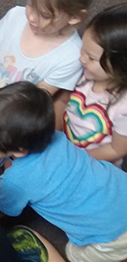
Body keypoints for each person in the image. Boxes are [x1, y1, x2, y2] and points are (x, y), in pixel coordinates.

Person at [0, 81, 127, 262]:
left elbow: (2, 211)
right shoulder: (57, 136)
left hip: (113, 235)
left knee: (76, 256)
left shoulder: (16, 182)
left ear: (20, 150)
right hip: (121, 190)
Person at [0, 0, 90, 170]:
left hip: (14, 116)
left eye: (45, 15)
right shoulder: (15, 16)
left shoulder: (71, 55)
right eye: (31, 5)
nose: (32, 17)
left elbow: (30, 104)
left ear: (74, 17)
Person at [59, 3, 127, 167]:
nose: (81, 58)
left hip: (94, 163)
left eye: (91, 58)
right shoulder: (85, 71)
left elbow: (116, 150)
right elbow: (62, 100)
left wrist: (77, 159)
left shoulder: (123, 107)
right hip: (65, 145)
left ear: (121, 67)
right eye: (83, 49)